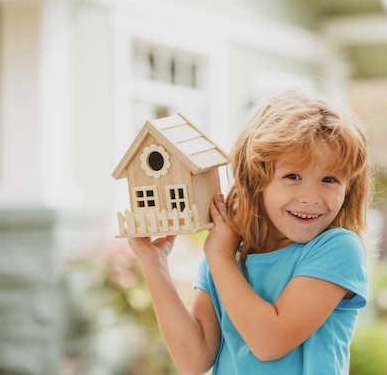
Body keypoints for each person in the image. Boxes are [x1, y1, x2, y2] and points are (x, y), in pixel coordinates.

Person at [128, 89, 372, 375]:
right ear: (257, 180)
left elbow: (269, 342)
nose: (311, 197)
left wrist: (219, 258)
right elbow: (193, 361)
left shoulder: (338, 248)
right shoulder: (226, 255)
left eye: (329, 179)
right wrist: (154, 264)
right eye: (292, 176)